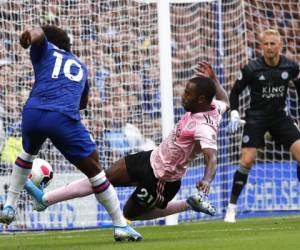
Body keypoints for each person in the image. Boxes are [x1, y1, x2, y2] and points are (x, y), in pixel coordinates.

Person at [24, 61, 229, 221]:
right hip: (150, 158)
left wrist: (207, 180)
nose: (182, 96)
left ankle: (188, 204)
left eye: (187, 94)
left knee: (130, 214)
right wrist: (214, 80)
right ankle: (46, 200)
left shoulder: (204, 127)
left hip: (162, 179)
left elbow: (211, 158)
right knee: (100, 177)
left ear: (201, 99)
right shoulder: (215, 107)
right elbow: (226, 101)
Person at [0, 25, 142, 241]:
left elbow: (37, 32)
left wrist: (29, 37)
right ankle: (120, 225)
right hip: (62, 117)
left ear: (49, 40)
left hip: (33, 111)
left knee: (28, 154)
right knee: (95, 170)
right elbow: (82, 104)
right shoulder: (80, 66)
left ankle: (10, 205)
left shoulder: (45, 49)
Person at [224, 29, 300, 223]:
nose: (269, 48)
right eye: (266, 44)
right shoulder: (252, 68)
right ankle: (231, 209)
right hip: (257, 118)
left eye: (272, 44)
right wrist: (234, 112)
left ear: (280, 45)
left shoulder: (290, 67)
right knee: (247, 160)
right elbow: (235, 92)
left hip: (279, 117)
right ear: (261, 47)